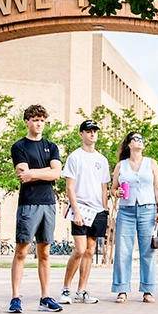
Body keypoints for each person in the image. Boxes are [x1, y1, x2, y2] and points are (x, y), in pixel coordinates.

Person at [8, 104, 64, 313]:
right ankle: (15, 297)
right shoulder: (19, 146)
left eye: (42, 120)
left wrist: (35, 174)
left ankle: (45, 297)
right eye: (35, 120)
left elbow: (57, 173)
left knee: (45, 252)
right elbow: (23, 174)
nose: (38, 123)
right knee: (22, 251)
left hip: (48, 203)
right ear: (27, 122)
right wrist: (44, 171)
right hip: (28, 204)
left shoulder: (52, 146)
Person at [62, 119, 113, 304]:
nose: (92, 134)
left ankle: (81, 290)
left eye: (95, 131)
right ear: (81, 134)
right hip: (81, 209)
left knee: (90, 251)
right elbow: (69, 187)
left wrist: (105, 211)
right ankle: (65, 289)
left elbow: (104, 187)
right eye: (88, 131)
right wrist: (75, 211)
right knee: (80, 249)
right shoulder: (75, 157)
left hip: (98, 211)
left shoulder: (102, 159)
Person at [111, 131, 158, 302]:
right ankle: (122, 289)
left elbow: (157, 188)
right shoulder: (121, 165)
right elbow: (113, 189)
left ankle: (148, 290)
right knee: (122, 251)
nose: (140, 142)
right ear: (129, 144)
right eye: (136, 139)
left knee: (147, 251)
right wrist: (116, 192)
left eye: (142, 139)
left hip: (148, 209)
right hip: (126, 210)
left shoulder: (151, 163)